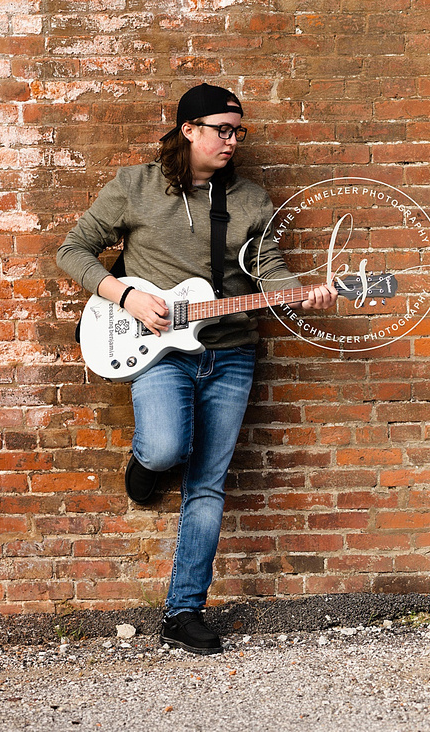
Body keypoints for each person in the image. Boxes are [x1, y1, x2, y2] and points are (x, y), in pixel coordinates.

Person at [56, 83, 337, 655]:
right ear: (188, 130)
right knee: (165, 448)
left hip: (230, 351)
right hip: (155, 345)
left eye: (239, 132)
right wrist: (125, 296)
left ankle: (183, 611)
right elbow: (72, 251)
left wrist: (301, 294)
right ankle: (145, 464)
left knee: (207, 485)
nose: (232, 141)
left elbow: (269, 270)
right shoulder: (136, 186)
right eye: (221, 130)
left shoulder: (253, 200)